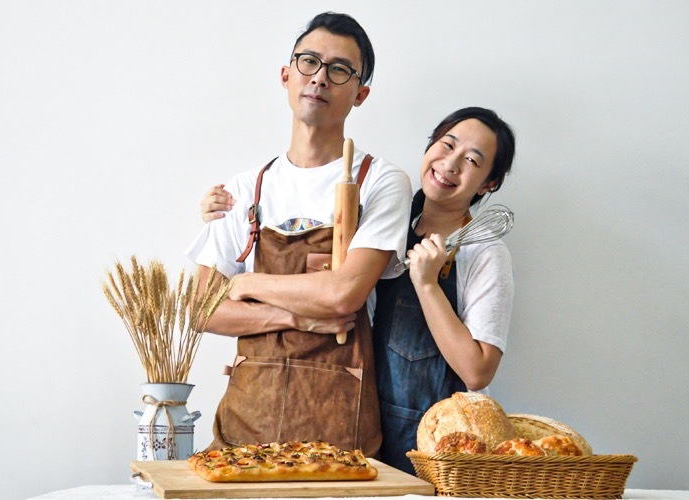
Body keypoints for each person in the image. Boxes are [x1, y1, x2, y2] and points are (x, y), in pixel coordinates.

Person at [201, 106, 516, 474]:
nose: (450, 164)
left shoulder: (485, 253)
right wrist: (222, 212)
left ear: (488, 184)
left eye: (473, 161)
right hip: (360, 426)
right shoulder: (384, 218)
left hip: (434, 448)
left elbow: (478, 371)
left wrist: (427, 284)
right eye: (447, 145)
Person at [185, 12, 411, 458]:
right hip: (246, 421)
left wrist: (246, 285)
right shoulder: (244, 189)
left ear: (360, 94)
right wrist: (297, 318)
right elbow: (201, 311)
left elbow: (344, 295)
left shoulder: (380, 181)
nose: (320, 78)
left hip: (340, 427)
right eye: (309, 61)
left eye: (339, 69)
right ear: (286, 75)